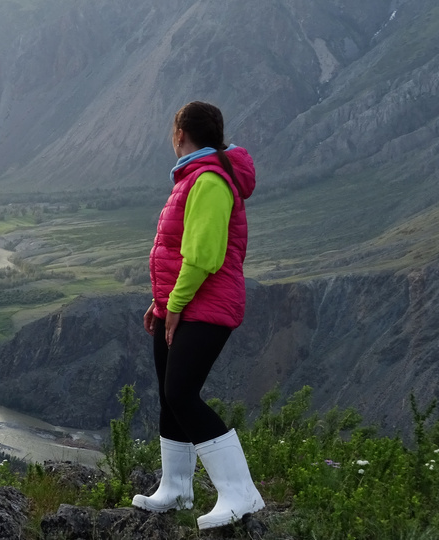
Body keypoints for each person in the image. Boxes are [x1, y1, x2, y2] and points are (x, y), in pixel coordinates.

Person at [131, 101, 264, 529]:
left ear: (179, 134)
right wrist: (162, 301)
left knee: (182, 393)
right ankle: (175, 488)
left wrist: (174, 304)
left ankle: (241, 494)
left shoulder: (209, 180)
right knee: (169, 394)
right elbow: (176, 251)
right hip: (182, 301)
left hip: (206, 305)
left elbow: (203, 255)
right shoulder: (195, 176)